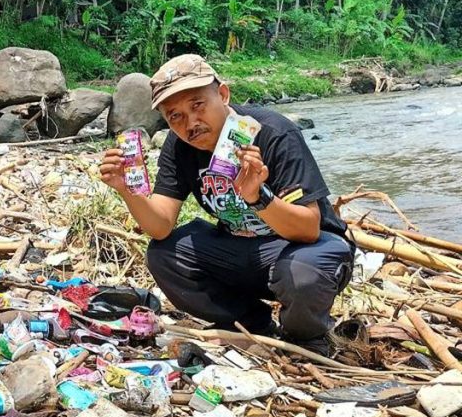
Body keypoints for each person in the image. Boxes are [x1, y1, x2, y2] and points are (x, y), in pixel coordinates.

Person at [99, 54, 353, 356]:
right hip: (241, 250)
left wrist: (259, 197)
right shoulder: (180, 147)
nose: (190, 123)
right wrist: (127, 190)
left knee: (304, 272)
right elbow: (160, 225)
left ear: (223, 94)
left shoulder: (272, 133)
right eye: (175, 116)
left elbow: (309, 229)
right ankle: (253, 324)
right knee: (164, 255)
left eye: (197, 105)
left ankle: (306, 337)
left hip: (303, 250)